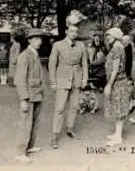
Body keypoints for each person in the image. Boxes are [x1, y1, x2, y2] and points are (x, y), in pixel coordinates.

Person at [48, 24, 88, 149]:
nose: (74, 34)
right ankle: (55, 136)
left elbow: (85, 63)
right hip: (62, 79)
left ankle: (70, 129)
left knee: (74, 106)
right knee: (59, 108)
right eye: (71, 31)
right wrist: (53, 81)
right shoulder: (57, 45)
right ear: (66, 32)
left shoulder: (81, 45)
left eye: (76, 32)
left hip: (76, 79)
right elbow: (52, 64)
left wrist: (84, 78)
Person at [14, 28, 48, 163]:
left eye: (40, 39)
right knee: (25, 124)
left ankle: (29, 146)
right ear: (29, 40)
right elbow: (19, 79)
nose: (39, 41)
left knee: (35, 122)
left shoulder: (34, 54)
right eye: (35, 39)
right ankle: (20, 152)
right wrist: (23, 99)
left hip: (37, 94)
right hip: (29, 95)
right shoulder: (24, 56)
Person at [103, 27, 130, 146]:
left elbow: (115, 69)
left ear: (114, 37)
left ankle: (118, 137)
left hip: (118, 82)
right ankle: (117, 133)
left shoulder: (116, 48)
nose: (107, 38)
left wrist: (109, 85)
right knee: (116, 106)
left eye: (108, 36)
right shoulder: (119, 47)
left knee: (118, 107)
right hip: (118, 81)